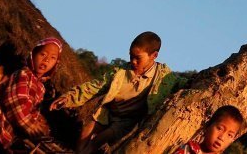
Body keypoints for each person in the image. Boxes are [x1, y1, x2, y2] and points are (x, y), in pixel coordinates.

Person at [51, 31, 183, 154]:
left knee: (99, 140)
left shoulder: (164, 76)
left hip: (127, 122)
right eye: (131, 56)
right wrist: (69, 98)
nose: (133, 61)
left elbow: (182, 83)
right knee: (85, 133)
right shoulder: (120, 71)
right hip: (107, 112)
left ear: (154, 56)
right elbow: (95, 86)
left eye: (138, 58)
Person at [0, 38, 61, 153]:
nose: (46, 59)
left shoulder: (41, 87)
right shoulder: (24, 74)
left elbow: (32, 110)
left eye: (52, 58)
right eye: (43, 54)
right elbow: (15, 102)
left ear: (55, 64)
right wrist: (29, 125)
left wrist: (39, 123)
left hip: (7, 132)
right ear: (33, 54)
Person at [171, 105, 244, 154]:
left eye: (229, 135)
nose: (221, 137)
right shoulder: (189, 149)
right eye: (219, 129)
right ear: (208, 126)